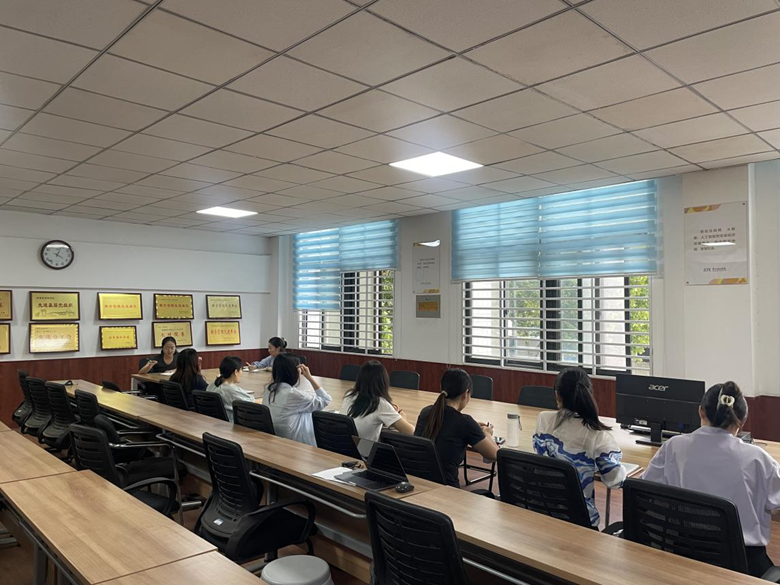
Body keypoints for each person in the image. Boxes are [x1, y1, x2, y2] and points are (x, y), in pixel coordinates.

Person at [643, 381, 780, 577]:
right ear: (742, 421)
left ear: (701, 411)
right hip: (743, 566)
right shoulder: (758, 459)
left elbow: (644, 488)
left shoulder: (674, 447)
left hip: (685, 557)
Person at [533, 367, 626, 528]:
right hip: (579, 521)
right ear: (589, 394)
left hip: (542, 512)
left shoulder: (543, 419)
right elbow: (615, 481)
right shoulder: (599, 435)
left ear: (557, 394)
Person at [415, 369, 498, 488]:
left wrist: (473, 426)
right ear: (465, 394)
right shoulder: (465, 422)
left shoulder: (426, 412)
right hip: (447, 490)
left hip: (419, 483)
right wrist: (487, 433)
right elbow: (494, 454)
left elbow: (449, 424)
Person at [263, 353, 331, 446]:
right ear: (295, 371)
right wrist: (310, 377)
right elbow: (326, 400)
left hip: (276, 438)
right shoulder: (293, 394)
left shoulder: (268, 389)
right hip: (295, 443)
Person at [341, 361, 415, 441]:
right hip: (363, 448)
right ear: (383, 382)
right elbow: (410, 432)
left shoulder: (349, 395)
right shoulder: (379, 404)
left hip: (343, 445)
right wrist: (402, 415)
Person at [205, 356, 254, 422]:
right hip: (230, 424)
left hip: (213, 422)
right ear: (236, 372)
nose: (241, 373)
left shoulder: (212, 384)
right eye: (241, 370)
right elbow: (251, 403)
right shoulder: (230, 390)